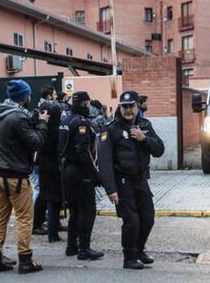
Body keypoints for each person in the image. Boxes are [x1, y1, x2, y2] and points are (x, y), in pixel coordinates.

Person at [0, 79, 49, 274]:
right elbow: (36, 142)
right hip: (15, 175)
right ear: (25, 97)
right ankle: (25, 260)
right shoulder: (17, 117)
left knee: (0, 216)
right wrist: (42, 123)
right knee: (24, 218)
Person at [98, 91, 164, 269]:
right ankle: (129, 258)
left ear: (137, 107)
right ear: (120, 107)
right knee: (131, 221)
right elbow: (104, 161)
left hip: (140, 179)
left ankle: (139, 250)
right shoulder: (111, 128)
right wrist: (110, 188)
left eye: (131, 106)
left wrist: (144, 139)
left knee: (148, 217)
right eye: (124, 106)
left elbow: (159, 150)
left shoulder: (145, 125)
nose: (127, 110)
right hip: (122, 182)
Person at [58, 91, 103, 260]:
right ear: (85, 104)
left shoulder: (65, 120)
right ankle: (84, 248)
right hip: (80, 172)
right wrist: (95, 174)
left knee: (74, 210)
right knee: (88, 210)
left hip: (66, 170)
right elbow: (83, 151)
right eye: (88, 104)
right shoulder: (81, 123)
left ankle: (71, 246)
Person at [38, 99, 63, 243]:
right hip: (55, 168)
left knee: (48, 198)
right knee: (55, 201)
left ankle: (52, 231)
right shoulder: (57, 131)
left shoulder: (43, 128)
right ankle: (53, 233)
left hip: (43, 167)